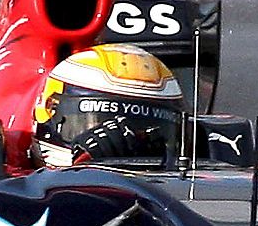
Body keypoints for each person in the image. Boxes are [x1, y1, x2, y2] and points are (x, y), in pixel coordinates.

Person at [30, 44, 186, 167]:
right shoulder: (13, 186)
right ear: (50, 111)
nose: (126, 144)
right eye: (102, 123)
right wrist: (85, 162)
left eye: (141, 128)